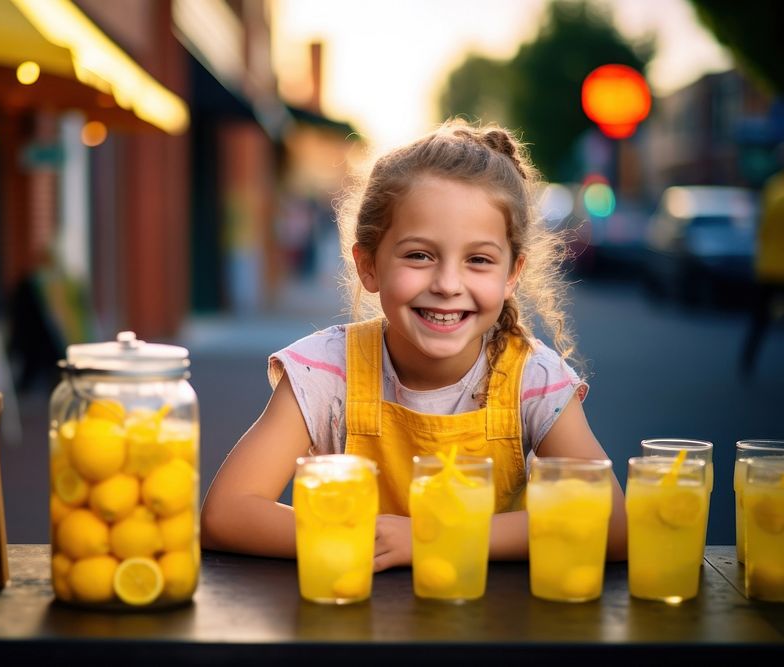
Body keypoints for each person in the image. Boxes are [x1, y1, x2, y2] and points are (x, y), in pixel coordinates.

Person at [200, 118, 627, 570]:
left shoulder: (531, 378)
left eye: (478, 260)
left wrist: (435, 537)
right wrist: (366, 538)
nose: (446, 284)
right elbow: (226, 514)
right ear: (369, 265)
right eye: (419, 255)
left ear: (511, 275)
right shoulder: (325, 370)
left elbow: (614, 525)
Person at [740, 144, 784, 378]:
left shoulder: (773, 187)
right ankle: (747, 361)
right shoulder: (775, 188)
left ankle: (747, 361)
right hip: (771, 265)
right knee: (760, 319)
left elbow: (761, 227)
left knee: (760, 320)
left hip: (768, 265)